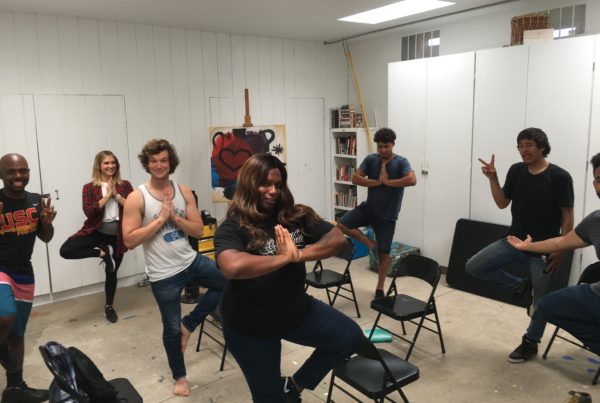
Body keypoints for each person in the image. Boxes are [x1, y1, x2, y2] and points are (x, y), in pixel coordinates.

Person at [214, 153, 364, 403]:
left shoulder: (295, 216)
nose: (273, 190)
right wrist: (283, 258)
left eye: (278, 184)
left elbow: (337, 239)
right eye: (265, 184)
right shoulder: (233, 226)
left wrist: (298, 255)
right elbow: (233, 266)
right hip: (249, 326)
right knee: (269, 399)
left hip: (295, 311)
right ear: (250, 184)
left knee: (349, 337)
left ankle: (294, 385)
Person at [122, 139, 226, 397]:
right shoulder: (138, 197)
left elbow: (199, 230)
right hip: (163, 275)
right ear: (147, 163)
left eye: (164, 160)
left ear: (171, 162)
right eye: (154, 161)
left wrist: (175, 217)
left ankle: (189, 325)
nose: (159, 165)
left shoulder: (183, 190)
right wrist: (160, 218)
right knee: (169, 328)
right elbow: (130, 240)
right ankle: (180, 377)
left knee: (227, 282)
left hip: (190, 261)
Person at [505, 152, 600, 363]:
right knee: (548, 305)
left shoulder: (560, 177)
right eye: (599, 180)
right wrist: (527, 246)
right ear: (594, 184)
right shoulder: (595, 222)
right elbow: (560, 242)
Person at [466, 128, 574, 309]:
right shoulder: (516, 170)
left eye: (529, 145)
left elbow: (568, 217)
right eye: (520, 146)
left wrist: (561, 249)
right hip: (514, 241)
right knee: (473, 266)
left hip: (543, 248)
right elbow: (502, 203)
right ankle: (521, 285)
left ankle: (532, 337)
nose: (524, 150)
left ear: (542, 147)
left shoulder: (560, 177)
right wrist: (493, 178)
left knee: (540, 303)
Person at [0, 153, 56, 403]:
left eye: (23, 170)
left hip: (23, 270)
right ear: (2, 174)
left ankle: (15, 389)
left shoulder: (37, 201)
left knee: (17, 332)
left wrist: (46, 222)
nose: (19, 176)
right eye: (12, 171)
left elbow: (46, 238)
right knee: (5, 314)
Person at [336, 128, 416, 299]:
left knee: (384, 254)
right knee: (342, 224)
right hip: (369, 208)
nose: (383, 150)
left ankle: (380, 288)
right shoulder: (371, 159)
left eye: (386, 146)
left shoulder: (401, 162)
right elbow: (356, 178)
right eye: (380, 147)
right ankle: (371, 244)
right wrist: (376, 182)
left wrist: (388, 182)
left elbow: (412, 179)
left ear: (393, 144)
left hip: (388, 215)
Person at [59, 151, 133, 323]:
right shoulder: (89, 187)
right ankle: (102, 253)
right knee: (66, 249)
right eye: (106, 163)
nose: (110, 166)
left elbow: (134, 207)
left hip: (118, 237)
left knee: (111, 272)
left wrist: (116, 195)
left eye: (113, 162)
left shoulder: (125, 185)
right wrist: (107, 196)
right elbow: (90, 212)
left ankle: (109, 306)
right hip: (96, 232)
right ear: (99, 165)